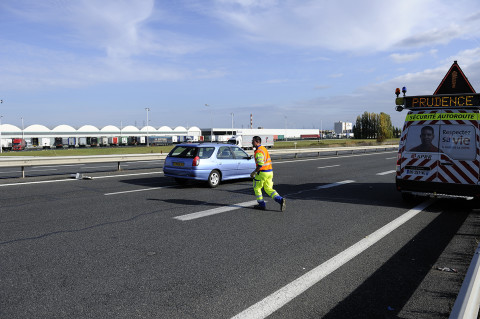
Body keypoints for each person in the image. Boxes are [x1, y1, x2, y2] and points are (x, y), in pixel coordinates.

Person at [250, 136, 286, 211]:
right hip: (269, 172)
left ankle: (261, 204)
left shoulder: (259, 151)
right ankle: (280, 200)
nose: (252, 142)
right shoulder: (264, 149)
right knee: (268, 189)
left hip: (262, 172)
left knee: (257, 187)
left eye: (253, 141)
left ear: (257, 142)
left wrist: (254, 172)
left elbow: (260, 164)